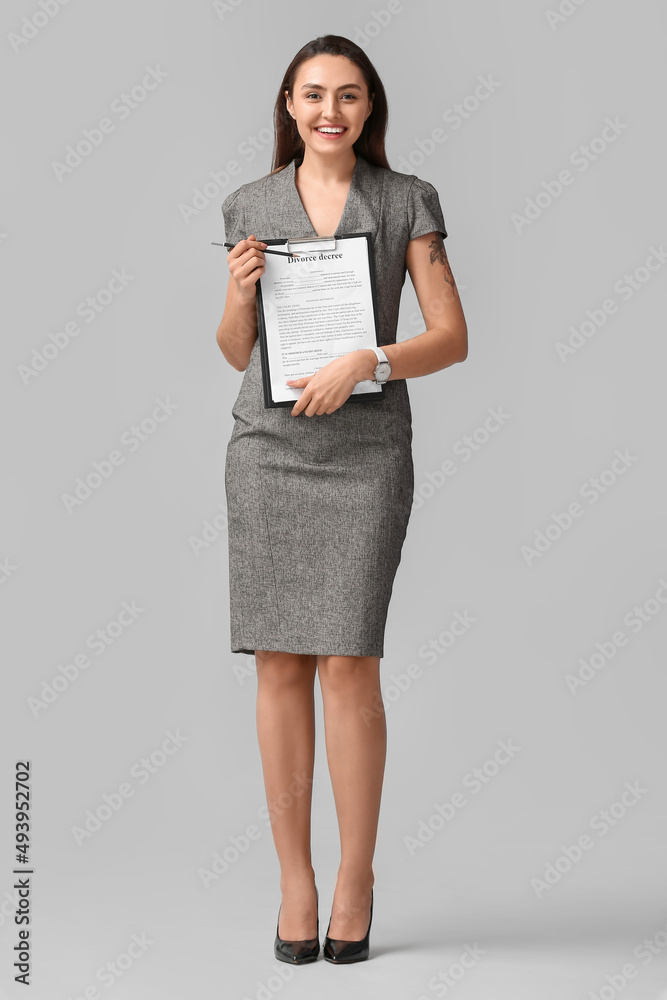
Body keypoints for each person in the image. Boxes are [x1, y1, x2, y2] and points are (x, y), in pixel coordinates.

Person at [216, 34, 468, 964]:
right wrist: (238, 294)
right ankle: (295, 881)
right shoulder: (250, 203)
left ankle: (355, 877)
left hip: (363, 451)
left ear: (370, 109)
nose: (331, 110)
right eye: (314, 94)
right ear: (288, 104)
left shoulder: (406, 201)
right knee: (276, 664)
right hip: (267, 450)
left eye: (349, 95)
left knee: (348, 665)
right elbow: (234, 348)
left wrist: (373, 360)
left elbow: (451, 337)